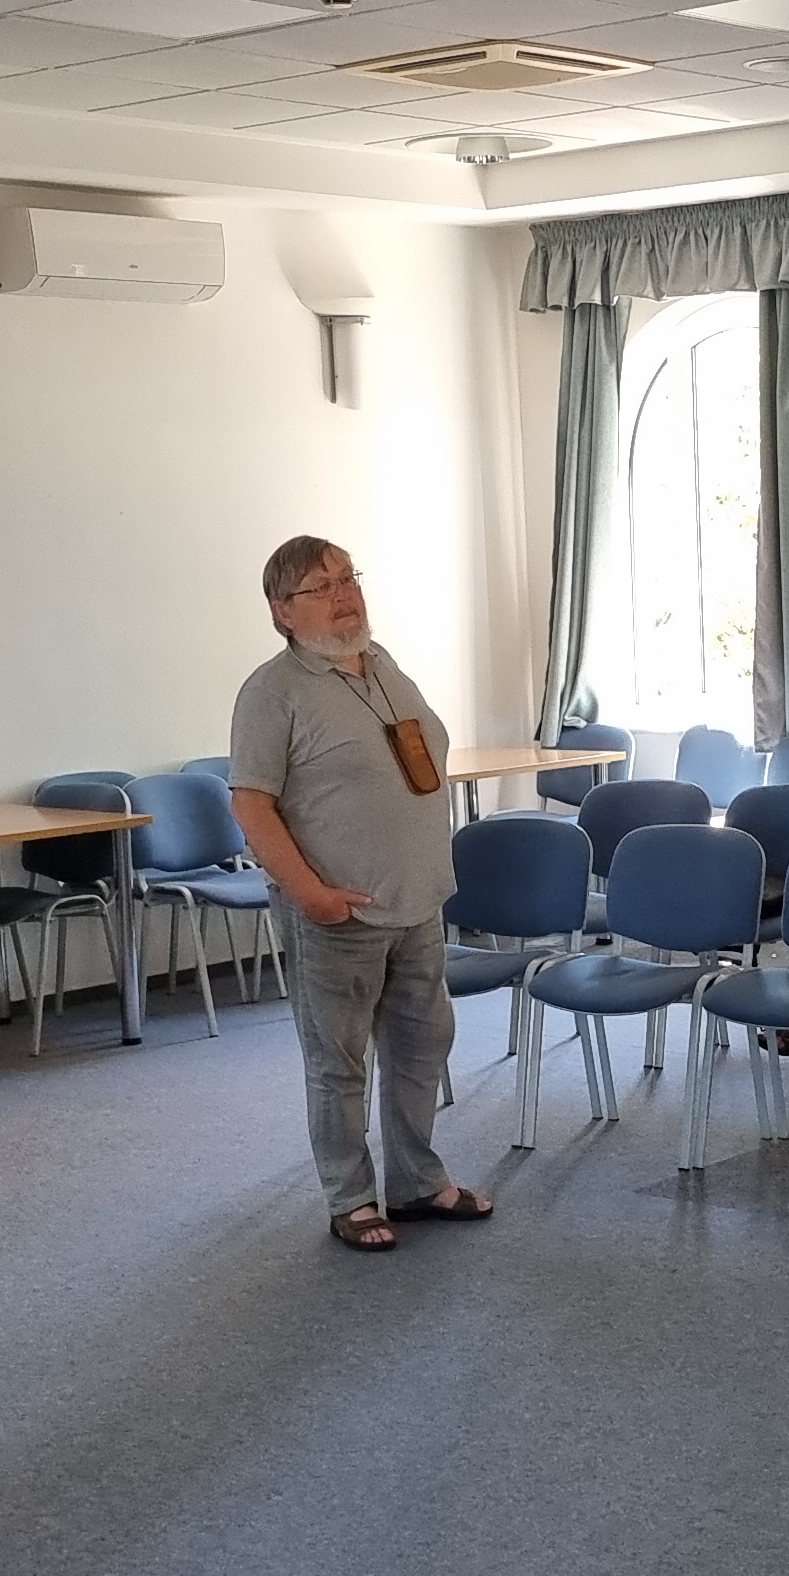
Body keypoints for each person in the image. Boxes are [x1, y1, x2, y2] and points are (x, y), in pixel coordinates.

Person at [226, 535, 489, 1254]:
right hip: (337, 912)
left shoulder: (382, 665)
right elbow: (251, 806)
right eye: (322, 587)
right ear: (283, 612)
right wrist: (312, 894)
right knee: (339, 1062)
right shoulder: (272, 692)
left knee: (422, 1047)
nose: (345, 595)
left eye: (349, 578)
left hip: (416, 902)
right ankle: (351, 1198)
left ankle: (417, 1182)